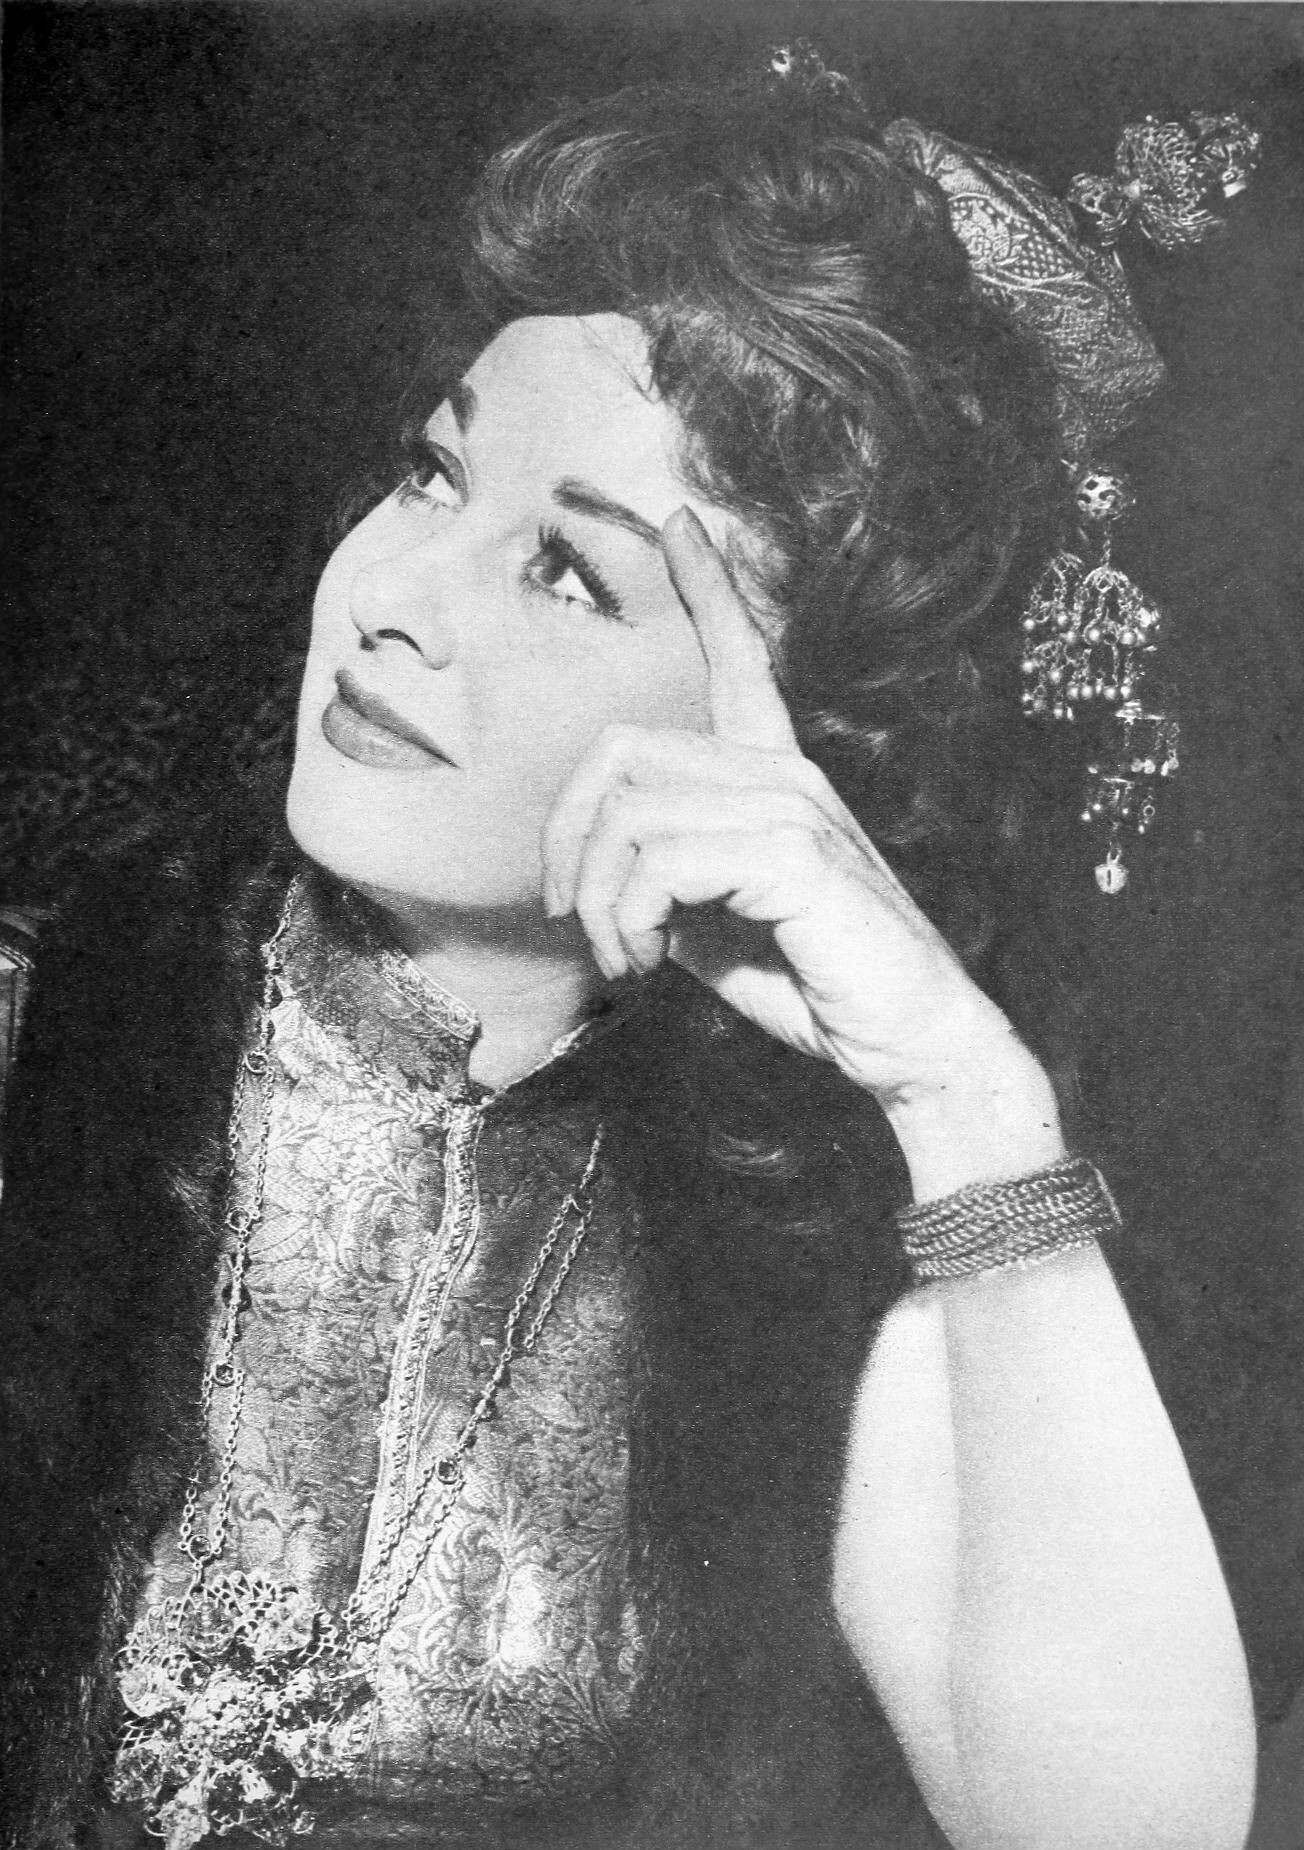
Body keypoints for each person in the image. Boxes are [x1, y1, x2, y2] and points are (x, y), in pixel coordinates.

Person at [0, 61, 1257, 1850]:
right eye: (433, 473)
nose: (389, 595)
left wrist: (970, 1097)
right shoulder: (54, 1021)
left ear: (787, 746)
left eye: (567, 574)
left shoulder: (808, 1262)